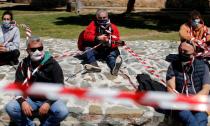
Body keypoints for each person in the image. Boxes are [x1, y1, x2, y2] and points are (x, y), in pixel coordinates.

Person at [5, 36, 69, 126]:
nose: (37, 51)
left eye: (40, 48)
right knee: (10, 108)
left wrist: (48, 103)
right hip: (30, 98)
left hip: (49, 98)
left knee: (63, 112)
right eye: (33, 49)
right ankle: (29, 124)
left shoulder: (53, 64)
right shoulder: (23, 64)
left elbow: (60, 86)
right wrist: (22, 102)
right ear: (27, 51)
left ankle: (46, 124)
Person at [166, 41, 210, 126]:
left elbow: (206, 88)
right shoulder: (173, 66)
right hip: (181, 104)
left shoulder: (203, 66)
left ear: (193, 53)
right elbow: (170, 89)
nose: (182, 53)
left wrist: (193, 101)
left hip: (198, 102)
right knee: (191, 121)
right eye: (180, 50)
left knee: (201, 120)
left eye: (185, 52)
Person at [78, 9, 123, 76]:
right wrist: (97, 38)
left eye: (104, 18)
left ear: (107, 17)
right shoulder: (92, 25)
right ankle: (94, 65)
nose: (102, 19)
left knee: (111, 56)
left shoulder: (113, 27)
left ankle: (114, 68)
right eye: (100, 18)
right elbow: (86, 36)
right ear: (97, 17)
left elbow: (117, 40)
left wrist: (109, 42)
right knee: (88, 49)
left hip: (108, 51)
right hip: (96, 50)